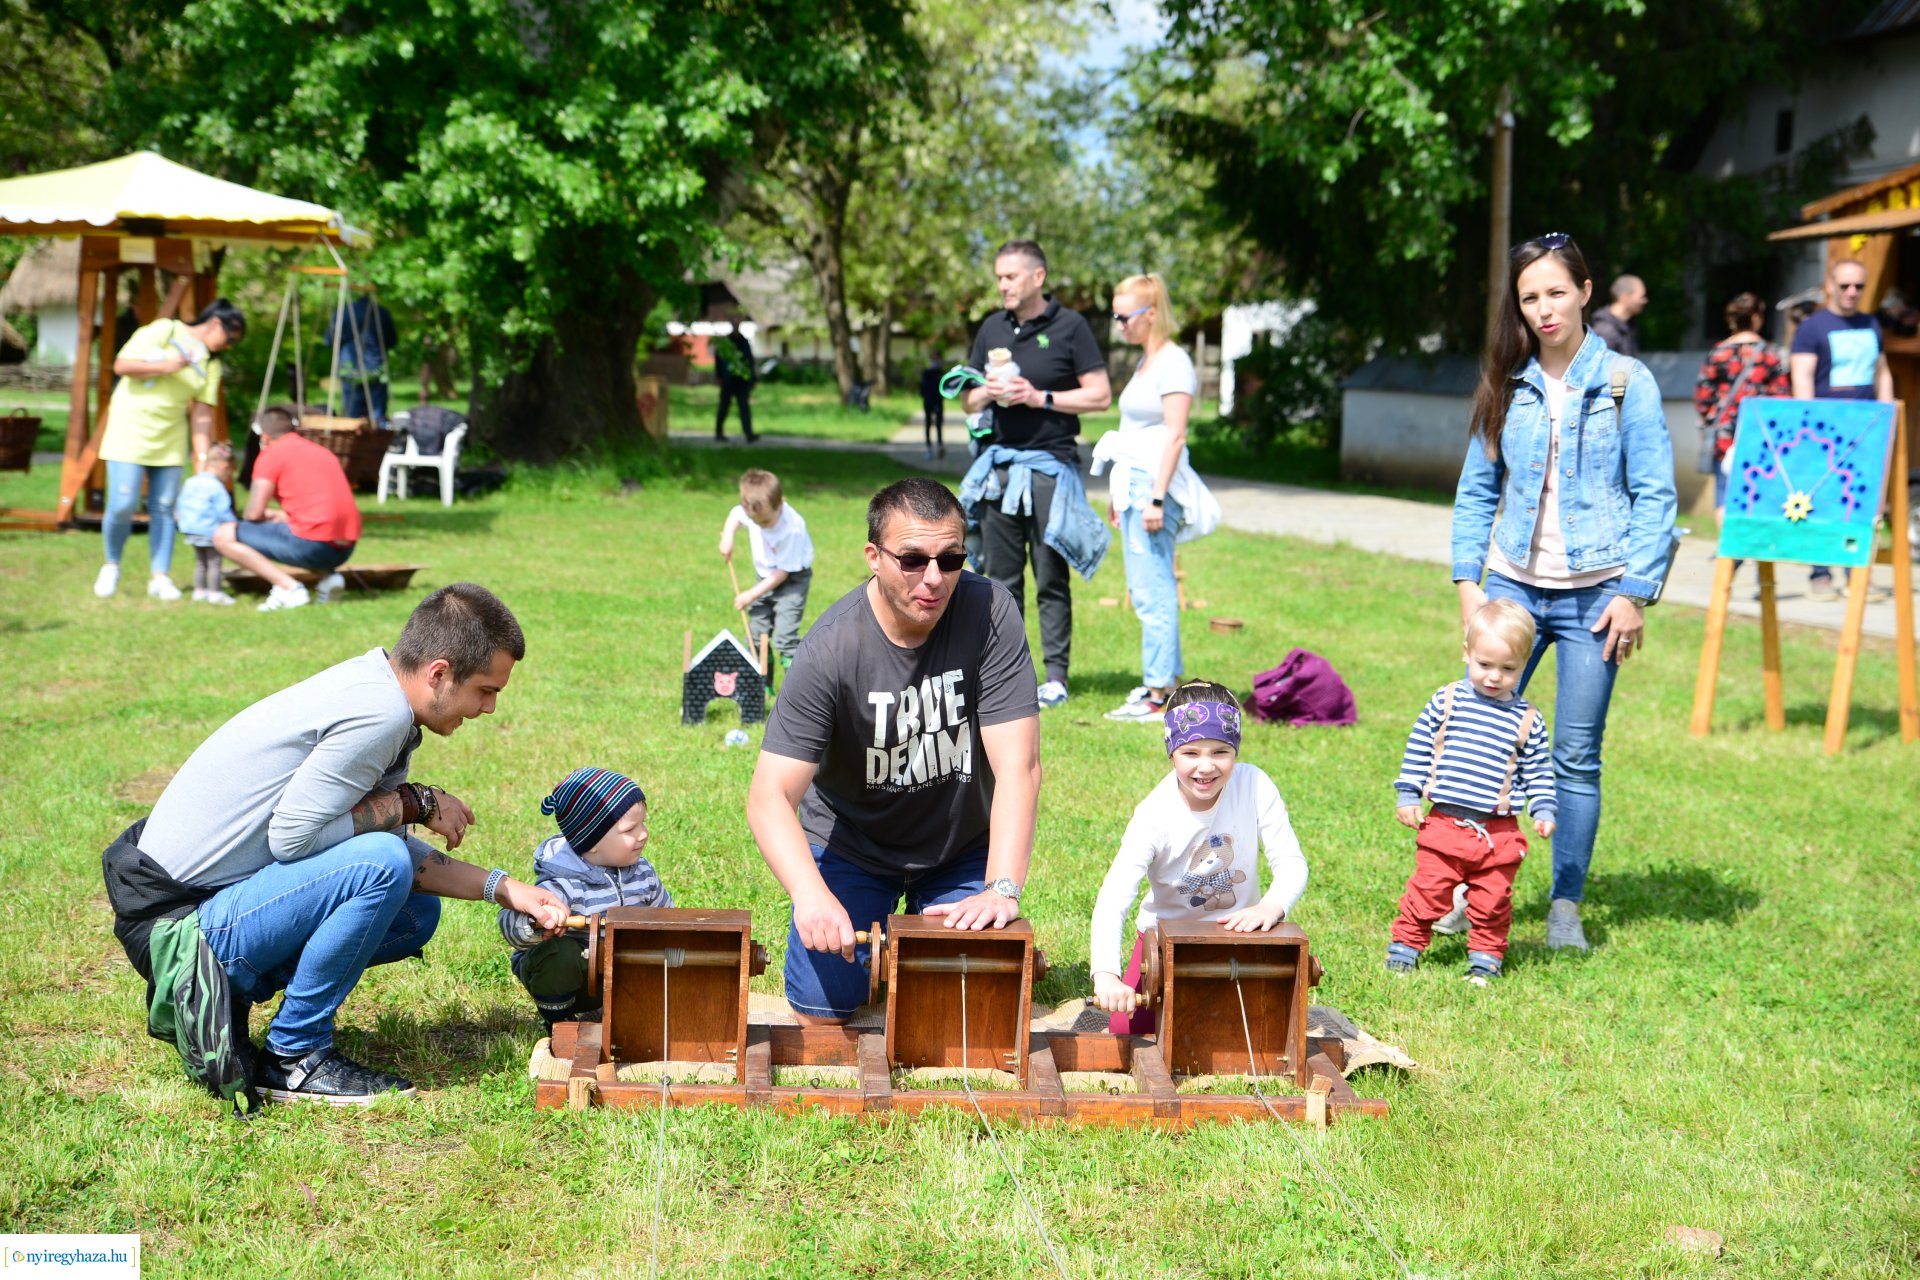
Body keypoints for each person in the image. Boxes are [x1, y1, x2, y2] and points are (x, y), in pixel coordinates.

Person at [104, 583, 569, 1105]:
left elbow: (364, 843)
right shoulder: (380, 715)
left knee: (415, 914)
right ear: (438, 673)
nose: (489, 708)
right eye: (486, 690)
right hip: (180, 932)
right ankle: (293, 1057)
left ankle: (232, 1003)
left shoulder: (379, 689)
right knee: (383, 866)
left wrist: (506, 890)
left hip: (199, 909)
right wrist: (414, 802)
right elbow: (297, 839)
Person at [747, 477, 1041, 1025]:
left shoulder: (990, 612)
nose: (934, 578)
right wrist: (811, 895)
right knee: (823, 1008)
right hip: (853, 847)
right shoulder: (829, 649)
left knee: (970, 1017)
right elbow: (769, 797)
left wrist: (1001, 887)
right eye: (912, 559)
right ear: (874, 557)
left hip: (959, 846)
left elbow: (1018, 766)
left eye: (950, 558)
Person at [1452, 232, 1676, 954]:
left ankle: (1565, 906)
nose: (1544, 309)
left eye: (1555, 292)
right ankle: (1462, 885)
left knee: (1575, 754)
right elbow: (1475, 491)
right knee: (1480, 735)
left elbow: (1656, 494)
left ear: (1586, 290)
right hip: (1514, 587)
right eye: (1529, 298)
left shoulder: (1626, 383)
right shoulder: (1506, 381)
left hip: (1594, 598)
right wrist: (1468, 585)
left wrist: (1635, 592)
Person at [1087, 680, 1308, 1033]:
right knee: (1127, 1036)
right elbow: (1114, 896)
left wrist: (1271, 907)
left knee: (1254, 1038)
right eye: (1191, 753)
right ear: (1171, 751)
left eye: (1220, 751)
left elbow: (1292, 863)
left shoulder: (1256, 785)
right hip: (1160, 946)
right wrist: (1107, 975)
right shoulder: (1154, 814)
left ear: (1236, 750)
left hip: (1235, 939)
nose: (1206, 767)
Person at [958, 240, 1113, 708]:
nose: (1002, 284)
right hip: (999, 471)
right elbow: (967, 401)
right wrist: (986, 391)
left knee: (1050, 576)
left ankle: (1057, 678)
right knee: (1000, 583)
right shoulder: (991, 328)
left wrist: (1038, 396)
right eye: (999, 277)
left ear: (1038, 277)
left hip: (1050, 470)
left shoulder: (1071, 327)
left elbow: (1101, 395)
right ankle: (1006, 675)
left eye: (1011, 276)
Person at [1386, 600, 1557, 985]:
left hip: (1498, 831)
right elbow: (1418, 749)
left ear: (1525, 664)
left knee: (1493, 901)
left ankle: (1485, 959)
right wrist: (1409, 795)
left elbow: (1538, 770)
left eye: (1508, 668)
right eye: (1484, 665)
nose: (1494, 677)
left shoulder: (1527, 719)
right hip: (1445, 822)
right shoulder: (1447, 701)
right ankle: (1405, 948)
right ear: (1467, 652)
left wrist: (1543, 809)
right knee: (1427, 892)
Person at [1090, 274, 1221, 722]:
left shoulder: (1174, 362)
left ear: (1150, 314)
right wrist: (1120, 493)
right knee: (1145, 585)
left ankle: (1158, 692)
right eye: (1115, 315)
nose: (1119, 324)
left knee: (1154, 589)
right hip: (1135, 486)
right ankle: (1166, 682)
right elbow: (1134, 434)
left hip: (1154, 488)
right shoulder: (1148, 362)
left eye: (1124, 316)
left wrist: (1157, 499)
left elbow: (1175, 435)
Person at [93, 299, 245, 602]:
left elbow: (202, 414)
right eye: (229, 338)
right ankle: (111, 564)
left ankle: (159, 575)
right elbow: (122, 365)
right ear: (216, 323)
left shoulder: (210, 364)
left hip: (170, 438)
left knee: (163, 508)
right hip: (130, 431)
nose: (228, 346)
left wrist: (203, 461)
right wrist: (165, 366)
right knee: (123, 503)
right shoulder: (165, 330)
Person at [499, 768, 670, 1031]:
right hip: (576, 979)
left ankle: (630, 1010)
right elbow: (511, 924)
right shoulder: (564, 883)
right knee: (559, 954)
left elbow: (669, 917)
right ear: (592, 842)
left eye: (643, 824)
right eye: (630, 829)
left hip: (620, 969)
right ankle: (560, 1023)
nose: (643, 834)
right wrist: (535, 921)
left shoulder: (643, 873)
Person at [1789, 258, 1896, 602]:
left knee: (1860, 501)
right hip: (1824, 432)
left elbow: (1881, 371)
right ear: (1830, 286)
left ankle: (1856, 575)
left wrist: (1888, 412)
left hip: (1866, 429)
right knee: (1821, 500)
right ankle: (1820, 574)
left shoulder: (1870, 323)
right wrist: (1808, 424)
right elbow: (1802, 375)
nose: (1852, 292)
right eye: (1846, 285)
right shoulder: (1812, 327)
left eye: (1859, 286)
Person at [213, 405, 361, 612]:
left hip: (314, 546)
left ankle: (288, 588)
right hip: (345, 546)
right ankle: (329, 578)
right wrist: (278, 516)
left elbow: (252, 514)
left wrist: (263, 515)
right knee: (292, 525)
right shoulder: (321, 451)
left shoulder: (271, 454)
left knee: (223, 534)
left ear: (264, 437)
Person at [1695, 292, 1789, 523]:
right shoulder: (1770, 353)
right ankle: (1753, 547)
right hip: (1761, 432)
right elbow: (1782, 397)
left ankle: (1727, 553)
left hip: (1725, 433)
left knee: (1724, 492)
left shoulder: (1718, 352)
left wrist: (1709, 420)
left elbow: (1703, 396)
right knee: (1760, 489)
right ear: (1757, 317)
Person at [718, 467, 815, 667]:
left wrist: (750, 595)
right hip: (764, 577)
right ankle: (764, 686)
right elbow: (735, 516)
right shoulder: (753, 510)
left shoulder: (792, 528)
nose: (761, 526)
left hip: (792, 580)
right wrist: (728, 538)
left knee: (785, 638)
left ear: (781, 502)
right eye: (755, 521)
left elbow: (782, 573)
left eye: (766, 521)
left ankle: (795, 693)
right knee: (755, 635)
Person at [173, 442, 241, 606]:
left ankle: (199, 591)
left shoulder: (191, 482)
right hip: (210, 530)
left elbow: (180, 504)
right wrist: (235, 523)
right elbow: (222, 510)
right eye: (229, 473)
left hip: (191, 530)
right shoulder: (216, 487)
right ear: (224, 466)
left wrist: (182, 522)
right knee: (214, 563)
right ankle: (215, 593)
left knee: (200, 563)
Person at [323, 294, 399, 427]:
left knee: (351, 413)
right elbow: (391, 340)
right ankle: (377, 441)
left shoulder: (344, 312)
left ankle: (352, 441)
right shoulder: (381, 313)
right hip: (375, 367)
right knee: (377, 414)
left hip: (349, 367)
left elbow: (329, 340)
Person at [714, 323, 757, 443]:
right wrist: (719, 376)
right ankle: (719, 432)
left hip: (742, 382)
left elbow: (749, 360)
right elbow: (719, 360)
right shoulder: (726, 343)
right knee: (724, 407)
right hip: (728, 381)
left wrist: (752, 378)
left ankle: (749, 434)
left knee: (744, 408)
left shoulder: (744, 342)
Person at [1588, 274, 1646, 357]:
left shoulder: (1628, 326)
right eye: (1641, 297)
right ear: (1625, 297)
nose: (1644, 301)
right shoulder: (1605, 331)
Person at [919, 352, 946, 459]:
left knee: (939, 424)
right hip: (928, 402)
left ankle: (940, 446)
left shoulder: (941, 373)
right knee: (928, 424)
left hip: (938, 401)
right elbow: (922, 388)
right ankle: (928, 448)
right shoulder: (926, 373)